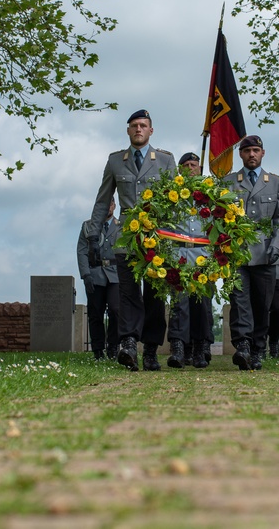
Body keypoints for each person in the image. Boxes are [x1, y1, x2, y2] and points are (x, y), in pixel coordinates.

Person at [88, 109, 176, 371]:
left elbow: (174, 202)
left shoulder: (165, 160)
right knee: (127, 293)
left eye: (143, 125)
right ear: (128, 131)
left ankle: (150, 351)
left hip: (156, 237)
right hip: (126, 236)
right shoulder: (116, 160)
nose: (138, 129)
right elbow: (103, 199)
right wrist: (94, 231)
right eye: (134, 125)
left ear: (151, 131)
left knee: (154, 296)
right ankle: (127, 344)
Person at [227, 135, 279, 370]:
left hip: (266, 252)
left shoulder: (276, 182)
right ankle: (242, 346)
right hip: (237, 252)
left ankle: (257, 349)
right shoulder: (229, 182)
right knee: (240, 301)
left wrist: (277, 246)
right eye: (247, 151)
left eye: (256, 150)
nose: (251, 154)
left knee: (262, 304)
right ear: (240, 155)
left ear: (263, 153)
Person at [166, 152, 213, 370]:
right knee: (179, 303)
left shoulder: (211, 195)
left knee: (201, 305)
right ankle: (178, 348)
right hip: (179, 255)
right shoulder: (170, 195)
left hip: (204, 257)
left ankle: (200, 348)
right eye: (185, 165)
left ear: (200, 169)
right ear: (179, 170)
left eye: (194, 164)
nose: (190, 168)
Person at [76, 198, 120, 360]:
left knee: (116, 310)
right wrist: (85, 274)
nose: (107, 207)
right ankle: (98, 349)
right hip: (95, 273)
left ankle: (113, 346)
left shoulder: (121, 225)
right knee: (95, 313)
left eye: (110, 204)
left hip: (115, 275)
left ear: (114, 206)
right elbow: (81, 251)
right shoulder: (88, 226)